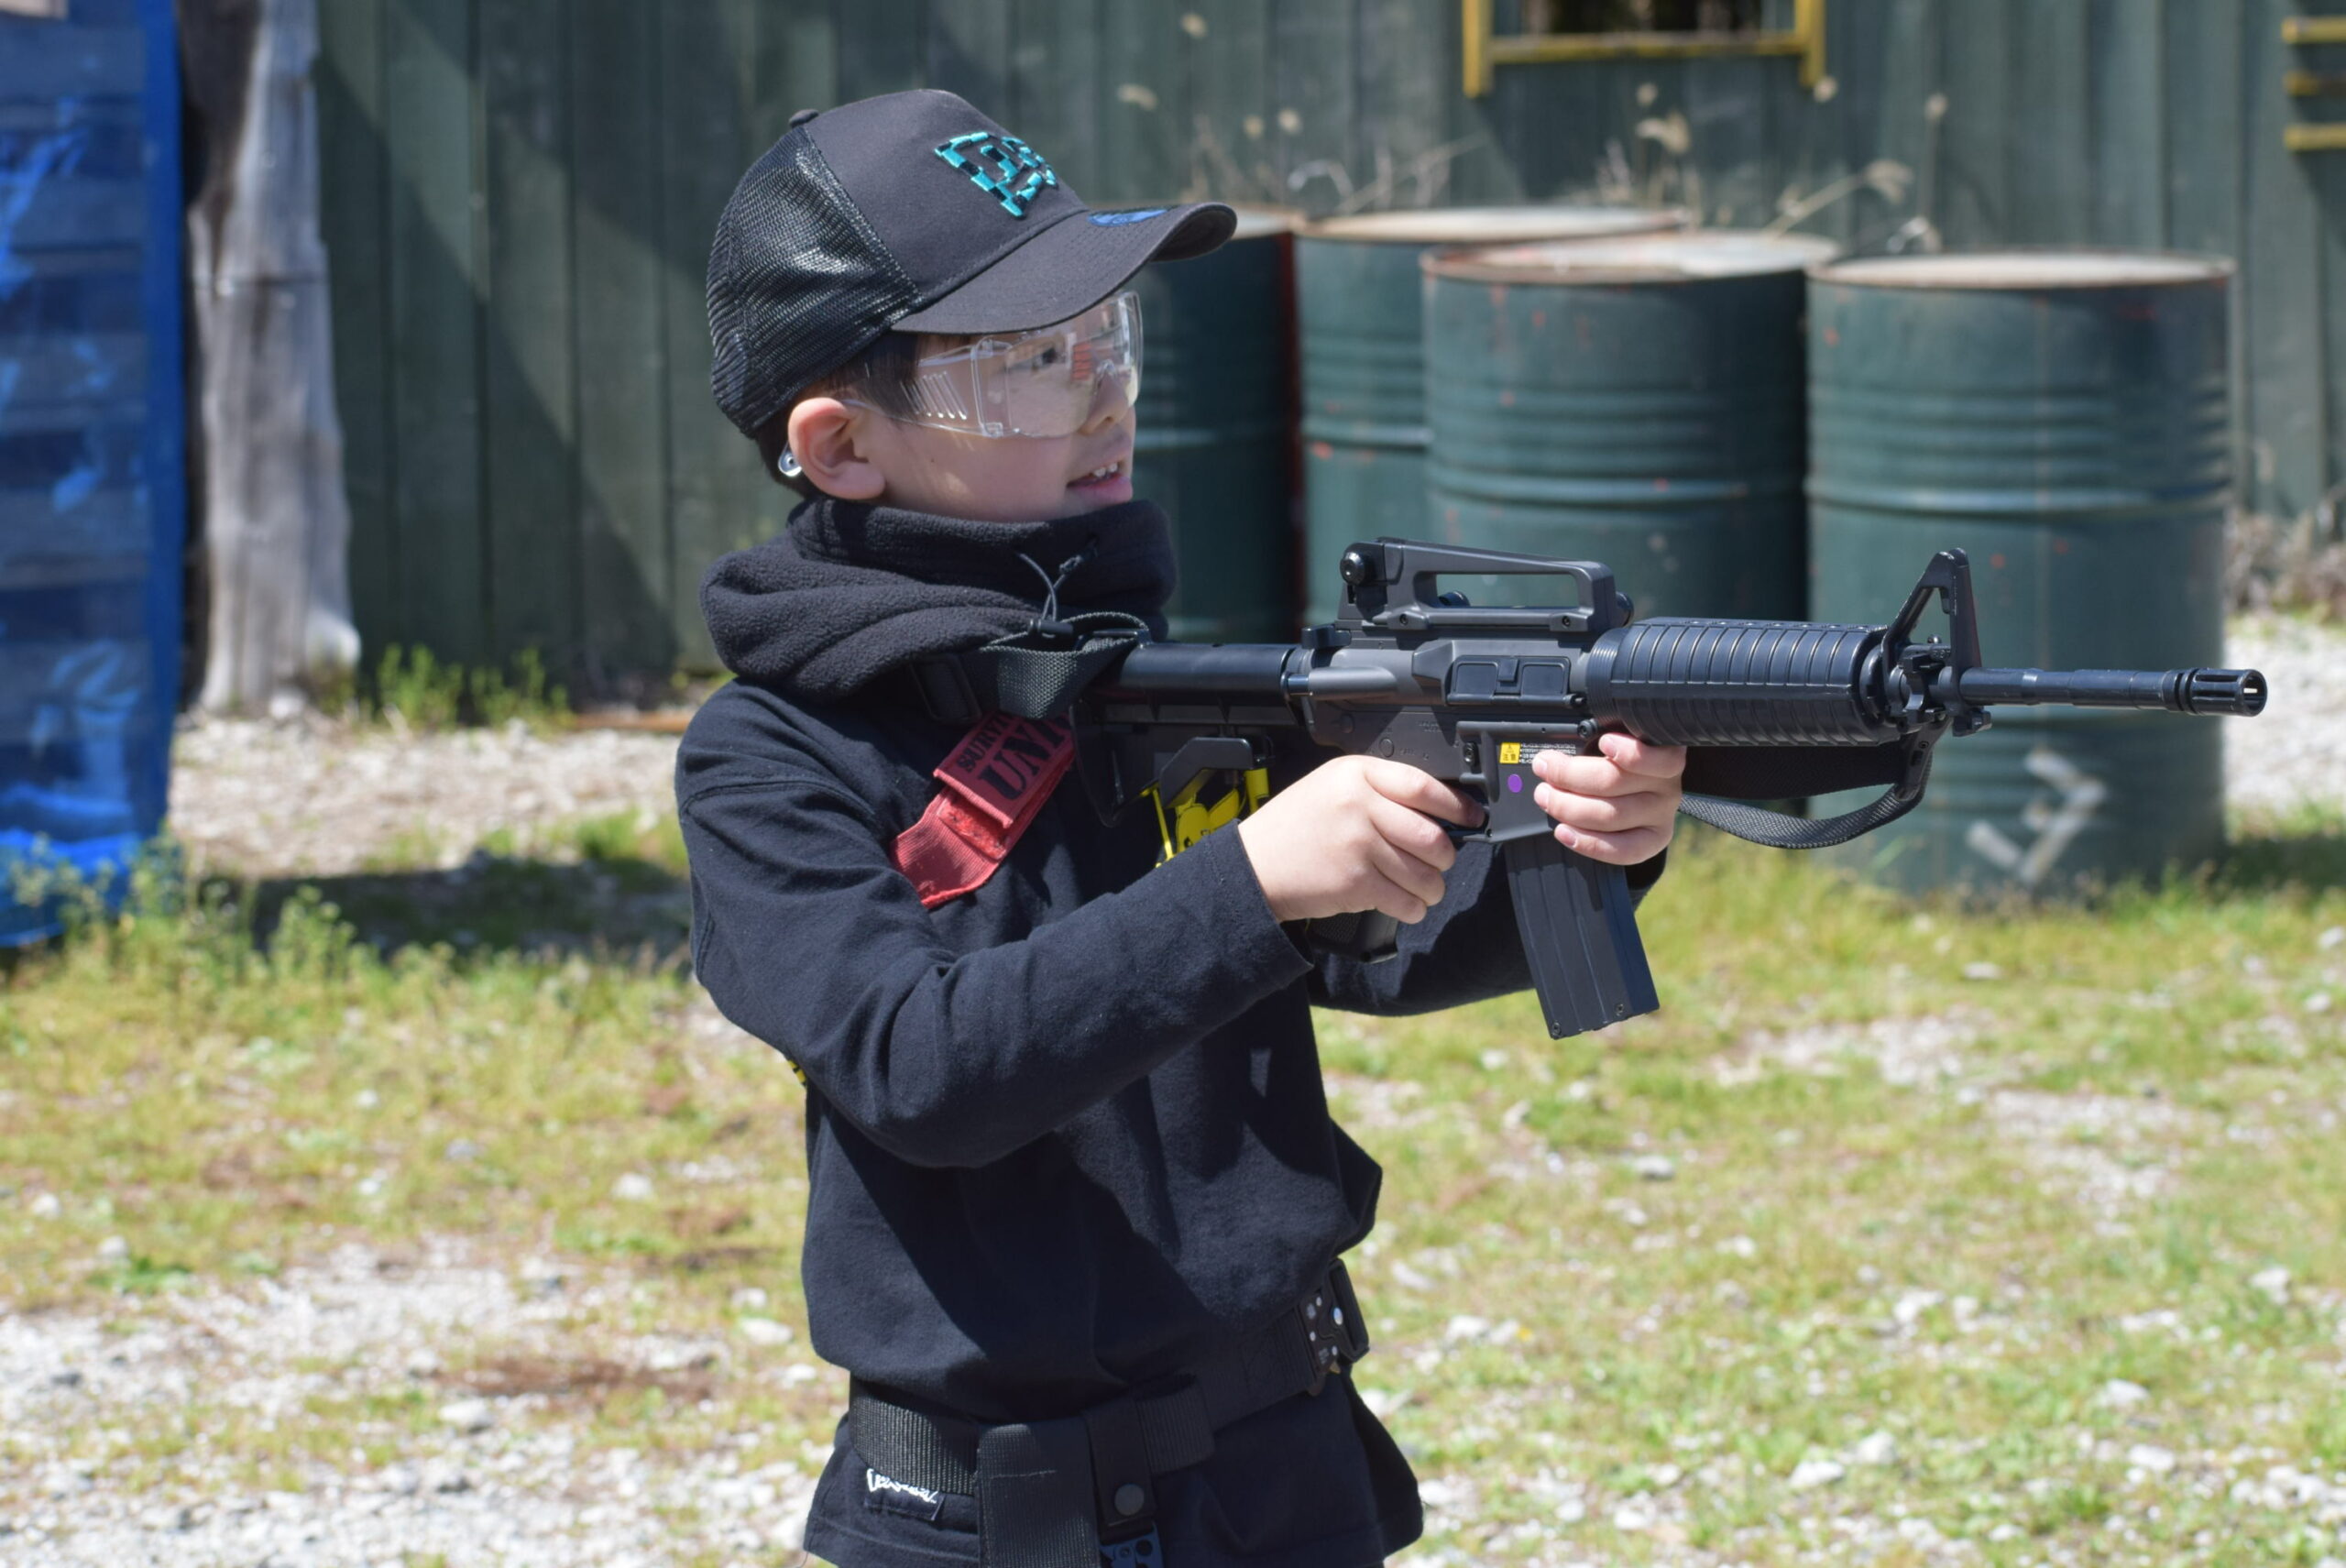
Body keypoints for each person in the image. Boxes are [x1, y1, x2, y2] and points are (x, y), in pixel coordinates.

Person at [677, 88, 1687, 1568]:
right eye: (1025, 363)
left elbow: (1366, 945)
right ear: (840, 447)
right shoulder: (773, 754)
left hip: (1282, 1459)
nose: (1101, 397)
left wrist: (1588, 838)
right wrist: (1252, 880)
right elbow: (921, 1067)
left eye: (1106, 339)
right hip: (1006, 1510)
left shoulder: (1123, 667)